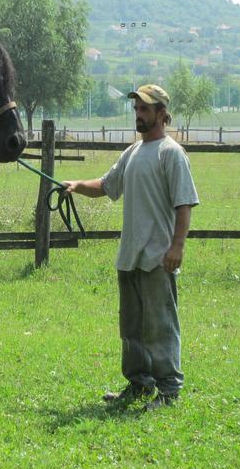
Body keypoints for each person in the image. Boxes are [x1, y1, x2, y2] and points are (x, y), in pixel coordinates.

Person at [63, 84, 199, 411]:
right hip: (130, 257)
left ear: (162, 115)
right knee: (132, 327)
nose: (138, 115)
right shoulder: (133, 153)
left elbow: (184, 205)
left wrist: (176, 247)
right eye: (136, 109)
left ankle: (168, 391)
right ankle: (139, 384)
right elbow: (108, 186)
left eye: (145, 109)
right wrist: (78, 185)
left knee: (160, 325)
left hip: (157, 257)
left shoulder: (171, 153)